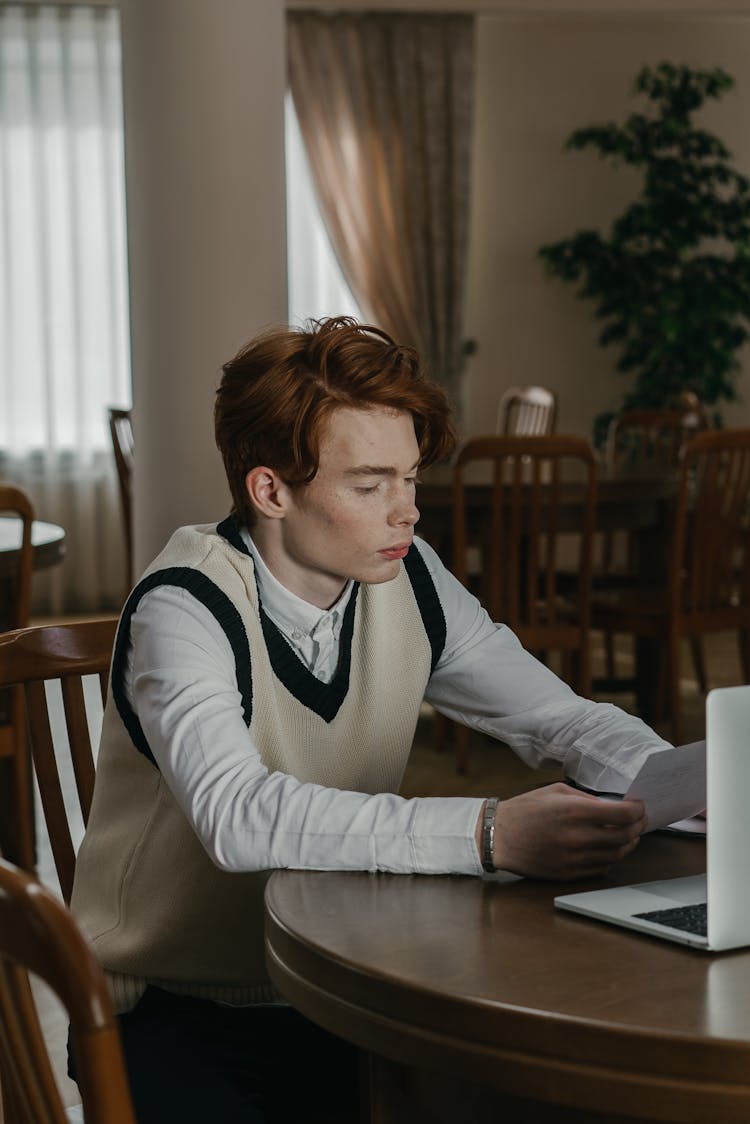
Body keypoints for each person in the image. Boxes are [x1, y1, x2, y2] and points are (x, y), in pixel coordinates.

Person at [71, 316, 663, 1123]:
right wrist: (489, 833)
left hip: (342, 977)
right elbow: (235, 816)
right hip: (172, 1007)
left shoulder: (408, 575)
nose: (407, 513)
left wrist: (682, 782)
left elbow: (559, 720)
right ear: (270, 489)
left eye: (412, 479)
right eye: (370, 484)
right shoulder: (185, 604)